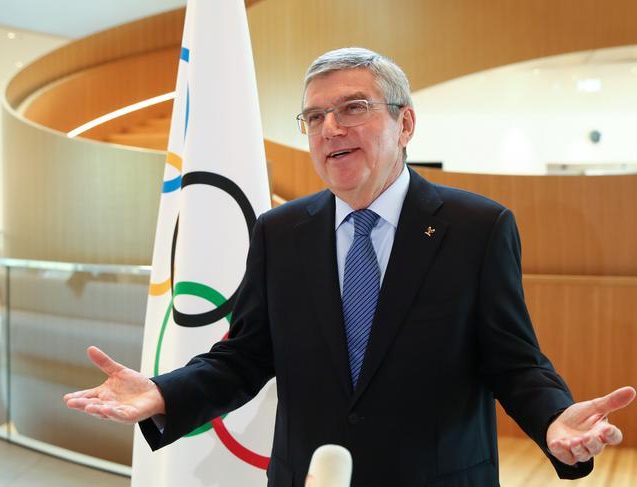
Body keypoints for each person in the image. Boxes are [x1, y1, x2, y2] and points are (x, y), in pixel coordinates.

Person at [65, 47, 635, 486]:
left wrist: (555, 419)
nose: (329, 128)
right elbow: (245, 357)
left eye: (352, 108)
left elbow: (514, 361)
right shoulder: (279, 231)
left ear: (405, 124)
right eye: (313, 117)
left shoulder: (477, 227)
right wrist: (161, 393)